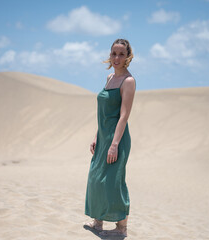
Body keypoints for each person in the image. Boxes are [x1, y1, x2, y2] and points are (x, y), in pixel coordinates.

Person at [84, 39, 136, 237]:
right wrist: (97, 136)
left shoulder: (128, 81)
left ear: (127, 57)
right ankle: (98, 222)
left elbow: (123, 116)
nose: (116, 58)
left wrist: (114, 144)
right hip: (103, 136)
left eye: (121, 54)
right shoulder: (109, 78)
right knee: (96, 178)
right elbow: (105, 112)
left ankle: (121, 227)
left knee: (113, 181)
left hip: (118, 139)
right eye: (114, 53)